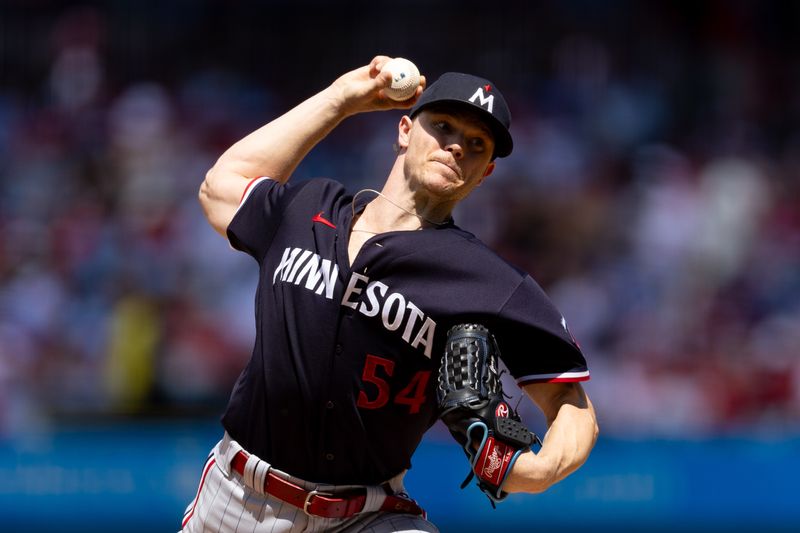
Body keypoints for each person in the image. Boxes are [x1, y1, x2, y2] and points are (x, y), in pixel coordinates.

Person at [181, 55, 598, 533]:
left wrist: (537, 472)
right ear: (404, 130)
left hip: (367, 516)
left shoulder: (488, 280)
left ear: (485, 173)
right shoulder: (308, 208)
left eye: (476, 143)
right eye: (443, 126)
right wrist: (339, 100)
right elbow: (220, 189)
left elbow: (573, 406)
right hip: (238, 499)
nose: (456, 145)